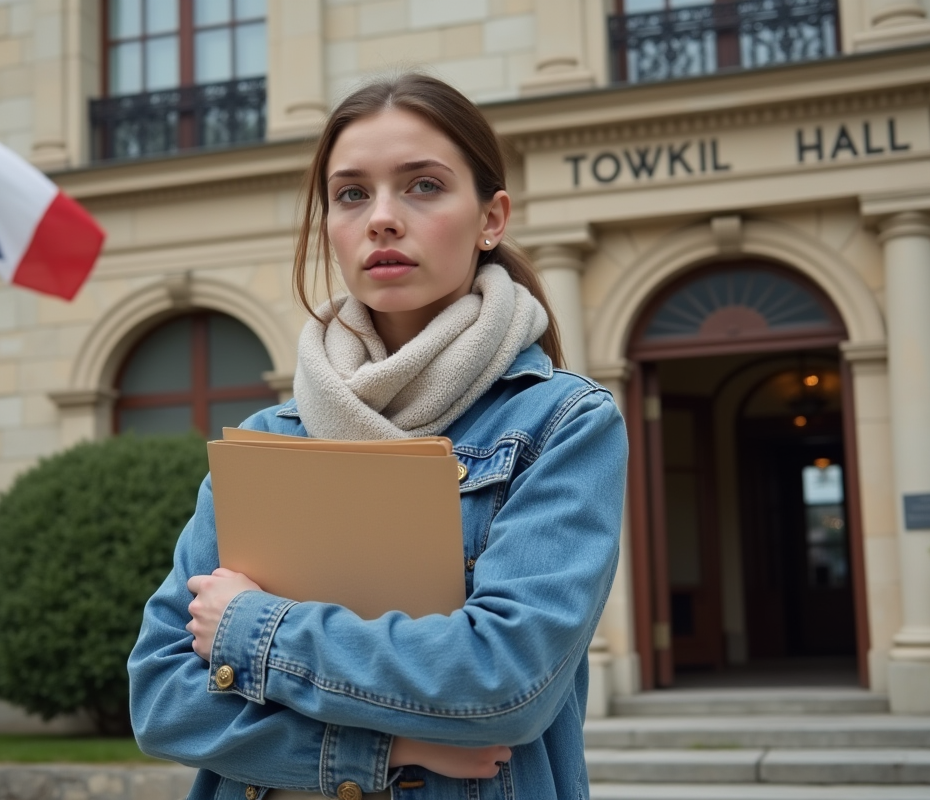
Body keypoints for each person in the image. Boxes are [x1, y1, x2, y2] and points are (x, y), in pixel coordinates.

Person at [129, 72, 627, 800]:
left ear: (492, 217)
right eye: (352, 193)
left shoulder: (561, 424)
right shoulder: (270, 440)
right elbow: (163, 700)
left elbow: (503, 682)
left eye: (423, 186)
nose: (382, 219)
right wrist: (388, 747)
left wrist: (250, 628)